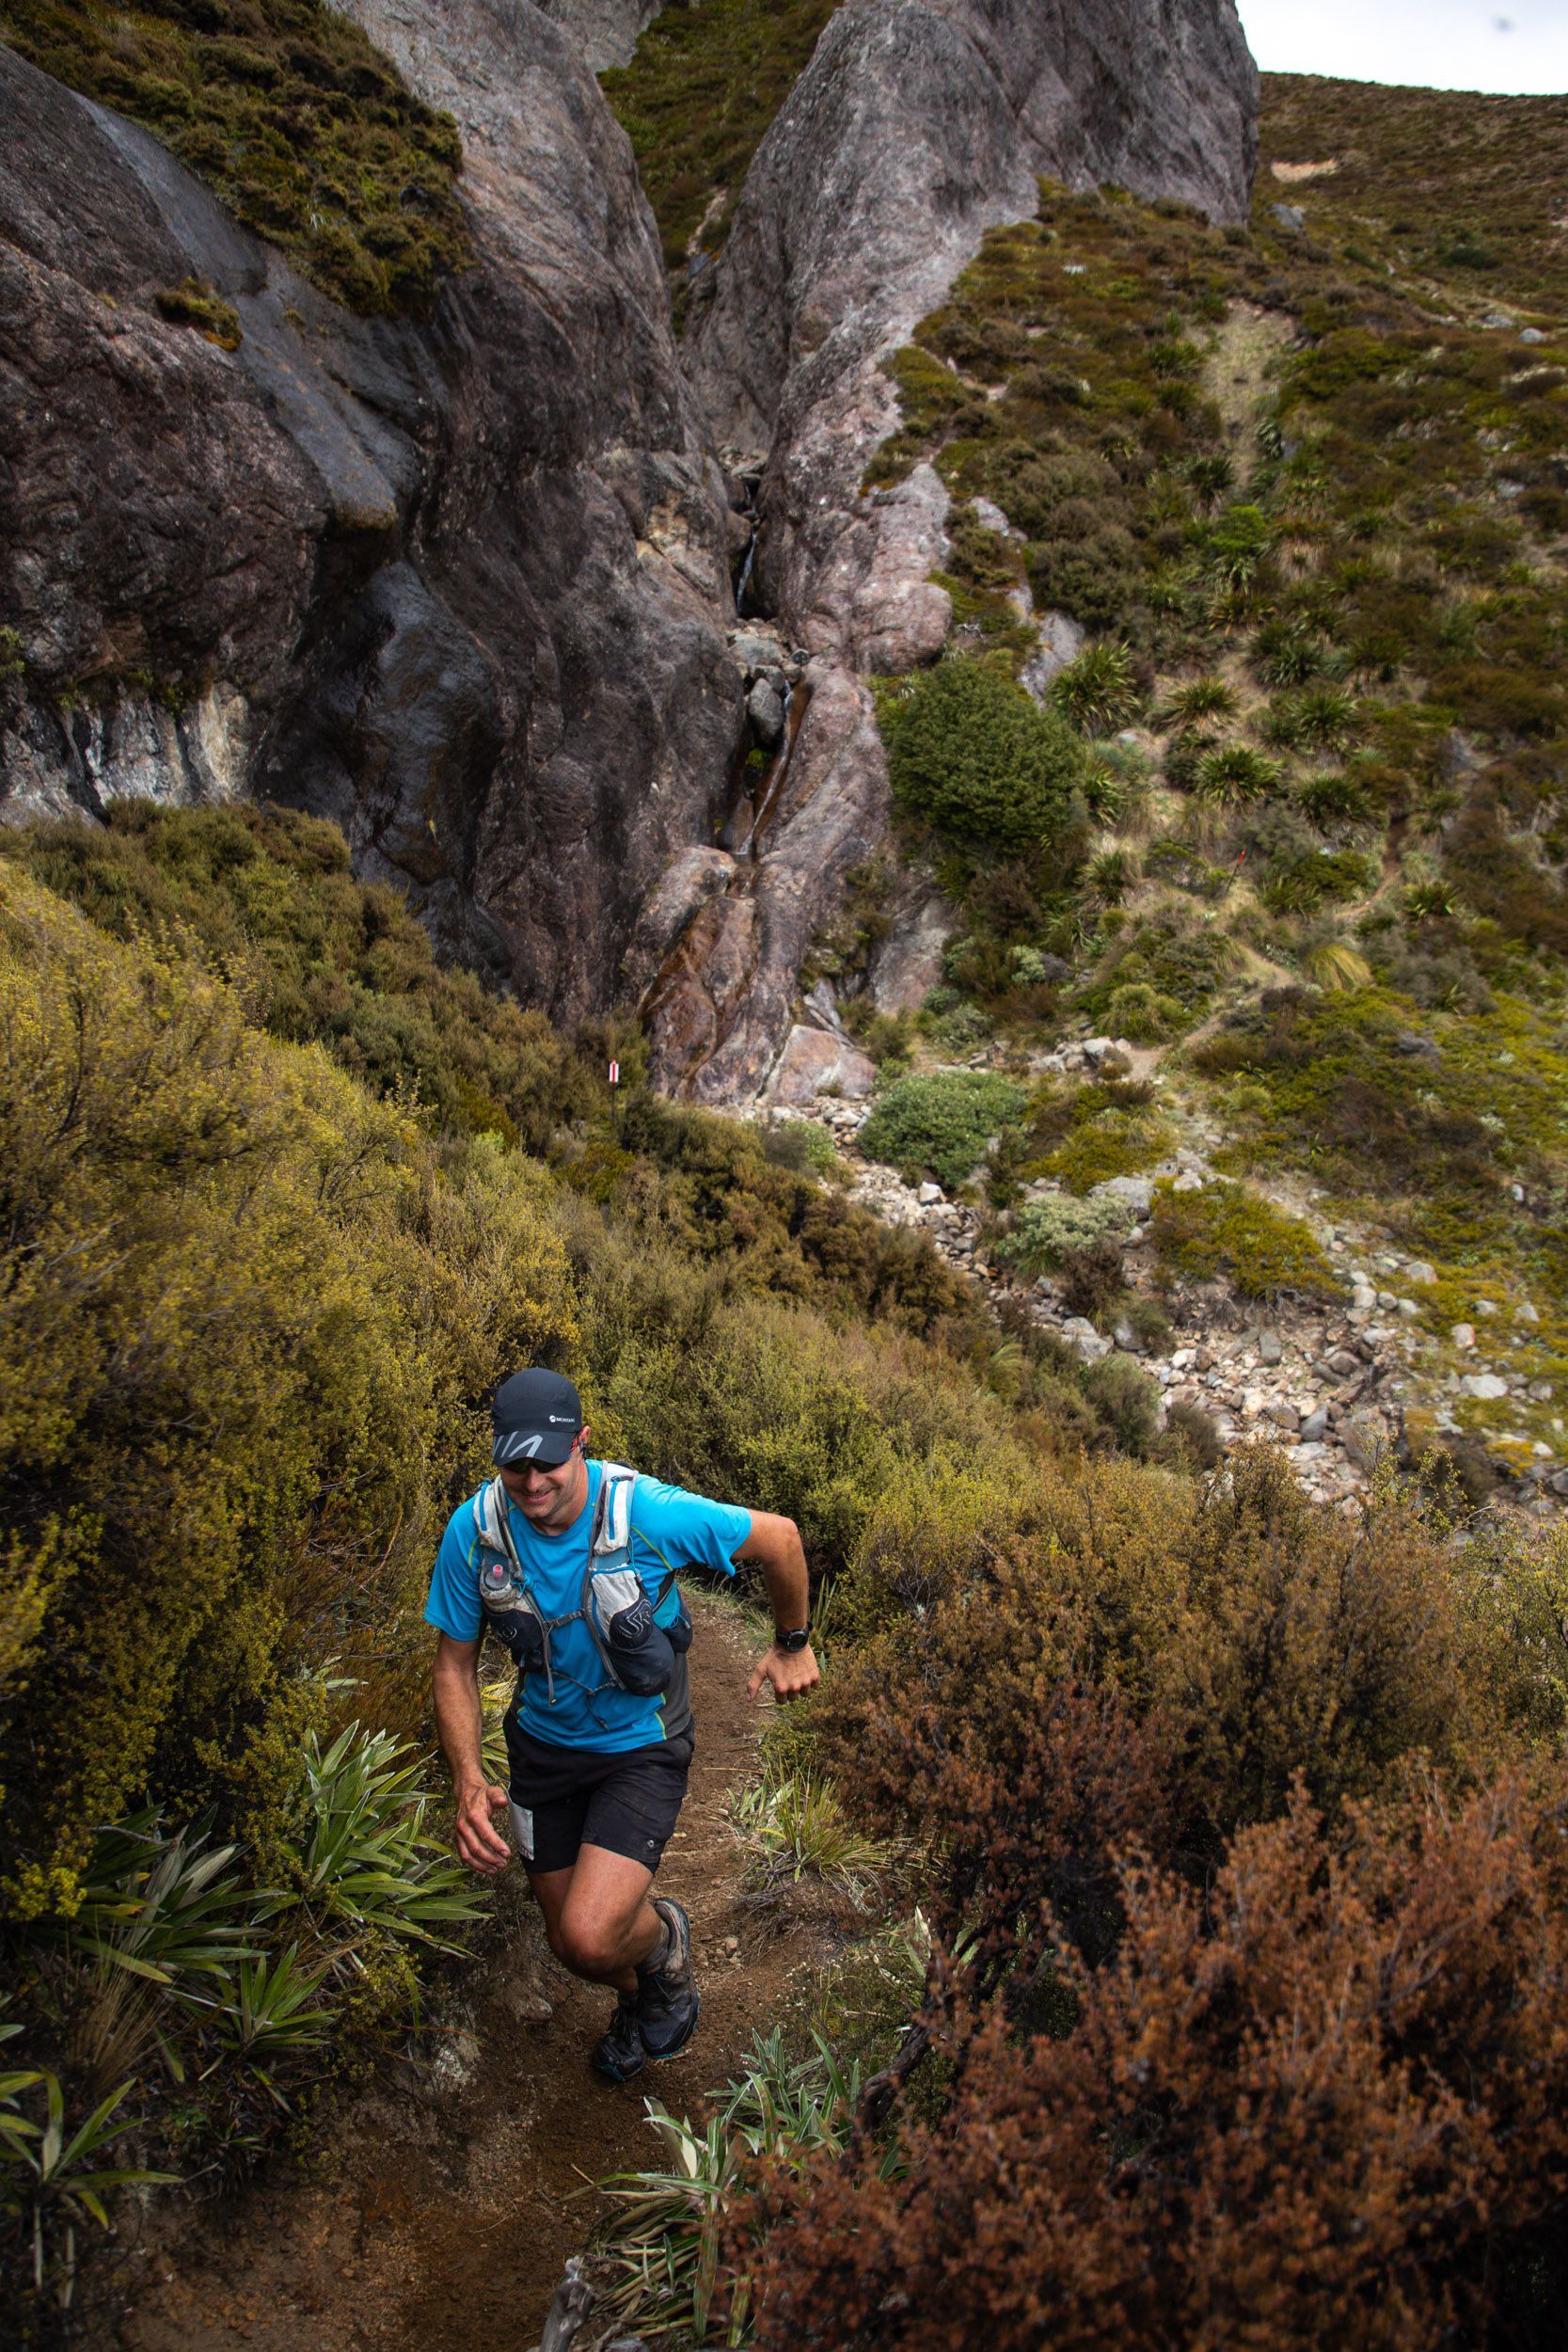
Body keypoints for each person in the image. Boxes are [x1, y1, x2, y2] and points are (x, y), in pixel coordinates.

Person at [426, 1367, 819, 2082]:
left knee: (589, 1931)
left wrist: (791, 1642)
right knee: (570, 1946)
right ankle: (647, 1998)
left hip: (640, 1743)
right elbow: (453, 1664)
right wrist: (466, 1781)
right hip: (542, 1747)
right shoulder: (475, 1534)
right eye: (514, 1465)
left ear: (580, 1442)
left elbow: (780, 1539)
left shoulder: (646, 1515)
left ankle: (664, 1936)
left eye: (548, 1460)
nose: (532, 1480)